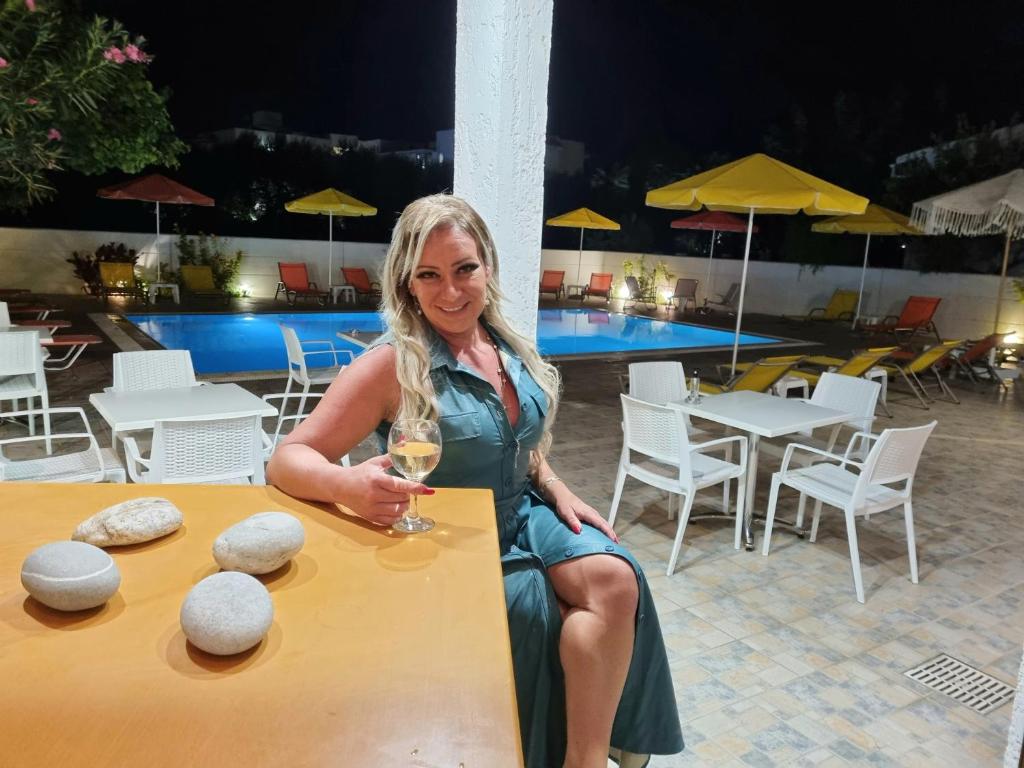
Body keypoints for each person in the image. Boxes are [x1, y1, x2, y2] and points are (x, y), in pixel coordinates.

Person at [267, 194, 683, 768]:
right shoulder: (391, 364)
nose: (452, 291)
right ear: (408, 283)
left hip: (523, 513)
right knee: (537, 610)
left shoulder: (508, 346)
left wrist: (557, 484)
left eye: (465, 269)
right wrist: (346, 487)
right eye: (430, 275)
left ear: (487, 266)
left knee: (615, 578)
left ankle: (584, 760)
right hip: (449, 537)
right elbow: (287, 458)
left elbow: (518, 443)